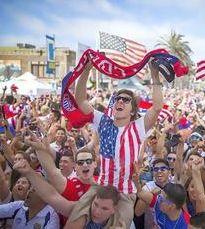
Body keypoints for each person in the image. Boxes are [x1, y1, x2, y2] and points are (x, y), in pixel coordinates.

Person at [65, 57, 164, 228]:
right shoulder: (102, 121)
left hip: (125, 192)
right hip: (101, 186)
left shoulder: (138, 127)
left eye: (126, 100)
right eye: (118, 98)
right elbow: (80, 100)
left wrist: (154, 75)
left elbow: (156, 107)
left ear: (133, 110)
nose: (120, 101)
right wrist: (87, 70)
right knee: (75, 220)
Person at [12, 159, 123, 228]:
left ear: (115, 209)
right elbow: (51, 196)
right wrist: (29, 172)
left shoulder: (123, 222)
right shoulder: (82, 209)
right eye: (96, 204)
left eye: (105, 209)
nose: (97, 212)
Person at [132, 164, 189, 229]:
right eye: (159, 197)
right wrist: (136, 181)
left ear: (172, 206)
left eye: (162, 200)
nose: (158, 200)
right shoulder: (158, 202)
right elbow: (140, 193)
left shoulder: (186, 224)